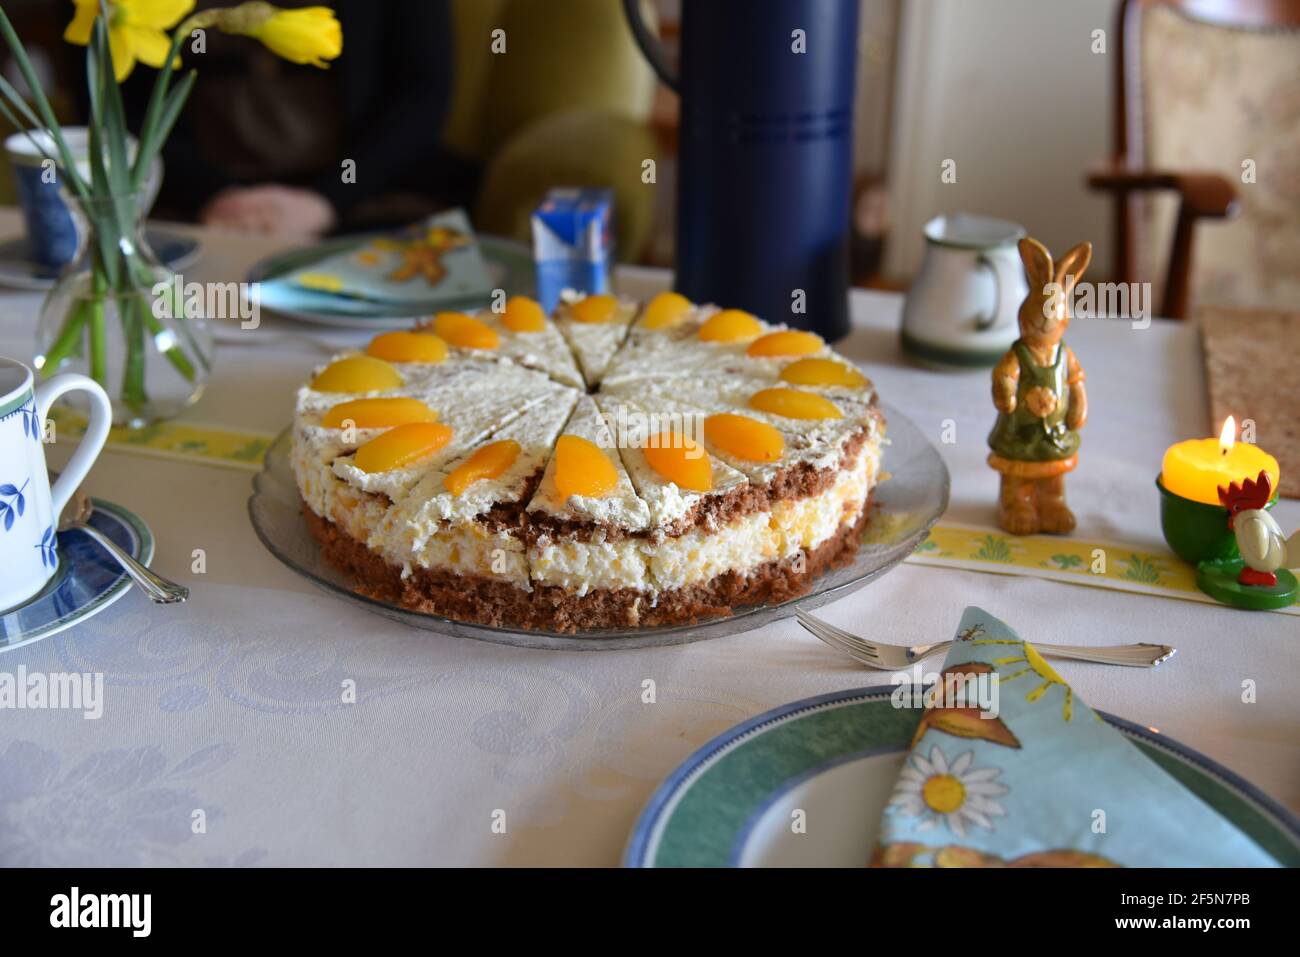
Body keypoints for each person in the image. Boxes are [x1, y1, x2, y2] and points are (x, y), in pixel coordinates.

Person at [111, 0, 475, 237]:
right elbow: (113, 109)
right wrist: (215, 195)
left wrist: (326, 201)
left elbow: (421, 97)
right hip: (188, 202)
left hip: (367, 196)